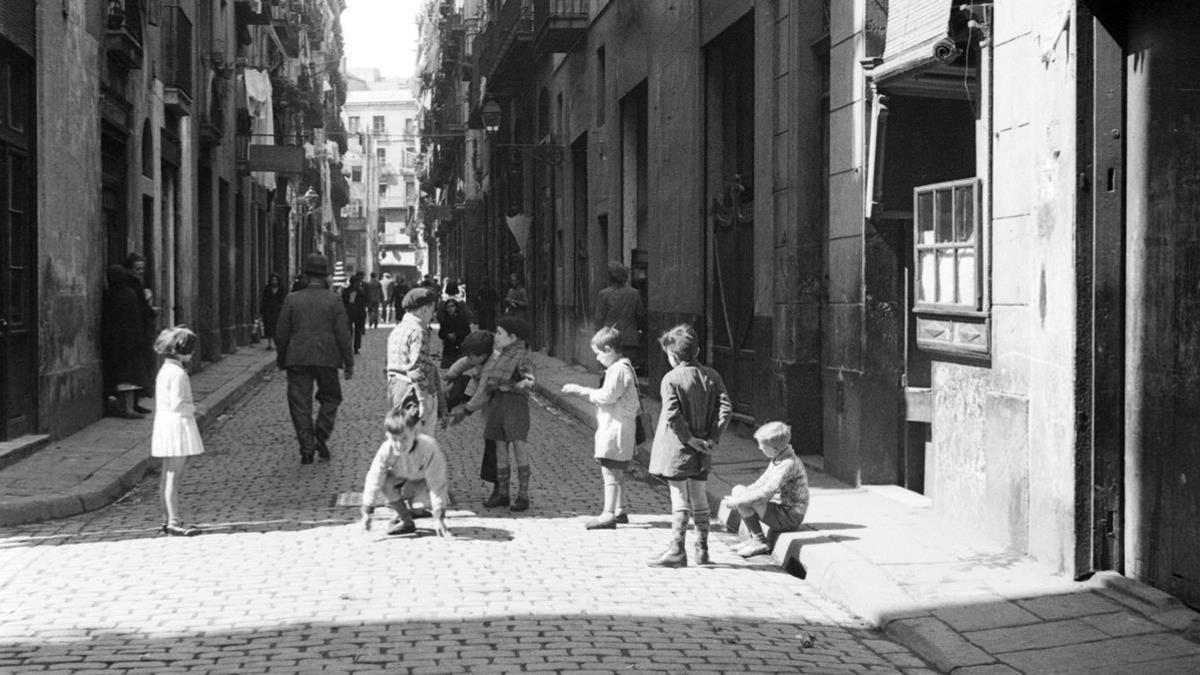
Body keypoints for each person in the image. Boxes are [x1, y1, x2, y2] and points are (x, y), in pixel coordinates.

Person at [646, 323, 733, 568]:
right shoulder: (712, 376)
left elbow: (672, 414)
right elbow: (726, 407)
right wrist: (713, 438)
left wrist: (689, 439)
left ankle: (677, 549)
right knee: (699, 496)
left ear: (673, 355)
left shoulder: (670, 379)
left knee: (679, 497)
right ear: (696, 351)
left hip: (678, 449)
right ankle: (702, 551)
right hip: (704, 448)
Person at [274, 253, 355, 464]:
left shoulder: (292, 299)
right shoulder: (335, 301)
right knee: (332, 398)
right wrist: (348, 362)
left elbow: (281, 333)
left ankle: (307, 449)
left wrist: (282, 357)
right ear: (327, 276)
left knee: (300, 403)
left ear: (306, 275)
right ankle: (321, 431)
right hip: (327, 357)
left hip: (297, 357)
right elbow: (343, 334)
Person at [453, 316, 535, 511]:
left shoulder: (522, 357)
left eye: (500, 333)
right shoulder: (500, 356)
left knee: (519, 448)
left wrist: (512, 386)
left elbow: (530, 381)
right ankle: (503, 493)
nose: (496, 336)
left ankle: (523, 495)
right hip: (497, 406)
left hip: (515, 407)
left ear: (513, 337)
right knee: (500, 449)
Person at [561, 327, 639, 530]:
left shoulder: (618, 370)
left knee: (610, 471)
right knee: (618, 471)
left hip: (616, 427)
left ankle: (608, 514)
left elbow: (606, 397)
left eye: (598, 353)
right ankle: (620, 509)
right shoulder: (623, 368)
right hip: (619, 425)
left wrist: (580, 391)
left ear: (609, 349)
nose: (597, 358)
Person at [360, 399, 453, 538]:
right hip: (403, 480)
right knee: (385, 482)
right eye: (394, 439)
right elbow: (374, 477)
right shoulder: (387, 449)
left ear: (414, 433)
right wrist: (367, 511)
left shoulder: (428, 448)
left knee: (419, 505)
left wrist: (439, 516)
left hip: (424, 482)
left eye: (404, 438)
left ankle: (417, 509)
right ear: (387, 435)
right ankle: (406, 520)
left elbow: (437, 482)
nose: (399, 445)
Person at [722, 421, 810, 557]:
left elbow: (765, 494)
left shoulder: (787, 464)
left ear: (774, 449)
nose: (759, 448)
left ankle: (759, 541)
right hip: (780, 510)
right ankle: (753, 539)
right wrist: (740, 495)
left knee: (747, 500)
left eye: (762, 446)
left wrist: (738, 502)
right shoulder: (778, 458)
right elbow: (760, 483)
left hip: (789, 516)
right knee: (738, 489)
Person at [150, 325, 205, 537]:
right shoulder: (179, 374)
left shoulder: (165, 370)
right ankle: (174, 520)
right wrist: (196, 407)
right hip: (178, 426)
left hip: (164, 424)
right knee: (175, 475)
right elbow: (178, 404)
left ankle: (167, 518)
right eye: (190, 349)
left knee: (166, 475)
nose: (192, 354)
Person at [444, 330, 499, 500]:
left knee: (495, 447)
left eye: (472, 356)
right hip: (489, 407)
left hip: (498, 409)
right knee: (492, 444)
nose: (469, 358)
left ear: (482, 356)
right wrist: (451, 375)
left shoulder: (492, 365)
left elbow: (483, 393)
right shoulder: (479, 357)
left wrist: (467, 410)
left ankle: (499, 487)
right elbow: (463, 363)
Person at [386, 286, 443, 435]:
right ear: (425, 309)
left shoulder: (397, 329)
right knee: (419, 442)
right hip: (412, 391)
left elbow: (387, 364)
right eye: (432, 309)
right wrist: (423, 399)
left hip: (396, 388)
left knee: (404, 437)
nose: (433, 314)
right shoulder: (418, 331)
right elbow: (417, 368)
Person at [101, 265, 153, 418]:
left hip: (117, 340)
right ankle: (130, 406)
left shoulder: (111, 295)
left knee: (124, 375)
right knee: (131, 374)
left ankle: (128, 409)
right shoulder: (130, 293)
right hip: (133, 338)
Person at [123, 252, 160, 413]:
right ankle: (132, 404)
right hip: (134, 332)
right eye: (137, 268)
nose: (140, 271)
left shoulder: (137, 283)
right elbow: (138, 309)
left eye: (142, 268)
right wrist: (151, 311)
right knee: (135, 368)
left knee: (140, 368)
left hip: (140, 331)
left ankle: (137, 402)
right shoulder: (130, 286)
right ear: (129, 269)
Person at [595, 261, 646, 372]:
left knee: (609, 374)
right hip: (630, 340)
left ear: (610, 278)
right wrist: (639, 332)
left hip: (610, 341)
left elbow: (599, 319)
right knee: (627, 373)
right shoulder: (634, 293)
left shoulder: (603, 294)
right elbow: (641, 315)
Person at [437, 298, 471, 369]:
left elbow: (467, 332)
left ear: (456, 307)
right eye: (448, 307)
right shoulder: (445, 320)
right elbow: (441, 334)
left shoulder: (462, 319)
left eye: (452, 306)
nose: (450, 309)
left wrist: (456, 335)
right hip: (448, 350)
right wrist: (447, 335)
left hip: (460, 349)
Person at [259, 273, 287, 351]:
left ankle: (276, 343)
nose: (274, 281)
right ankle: (269, 343)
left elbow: (284, 299)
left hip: (278, 310)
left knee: (276, 327)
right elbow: (264, 299)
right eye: (273, 280)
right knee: (268, 327)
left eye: (276, 280)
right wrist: (262, 309)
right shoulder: (267, 289)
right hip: (268, 310)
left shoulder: (281, 289)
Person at [341, 273, 368, 354]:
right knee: (353, 331)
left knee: (353, 331)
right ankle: (353, 347)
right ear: (354, 282)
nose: (359, 283)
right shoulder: (353, 291)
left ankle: (353, 347)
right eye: (358, 282)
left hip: (353, 312)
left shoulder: (348, 291)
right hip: (354, 312)